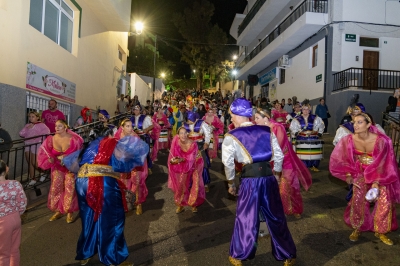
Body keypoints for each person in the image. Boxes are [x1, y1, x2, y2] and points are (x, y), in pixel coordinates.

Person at [222, 98, 296, 266]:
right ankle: (287, 254)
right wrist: (276, 175)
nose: (231, 118)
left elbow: (228, 164)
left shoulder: (231, 136)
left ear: (237, 114)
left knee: (246, 218)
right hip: (268, 178)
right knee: (276, 216)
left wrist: (231, 183)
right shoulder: (267, 131)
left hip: (249, 182)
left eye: (231, 115)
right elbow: (279, 156)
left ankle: (240, 254)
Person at [65, 127, 148, 266]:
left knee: (89, 219)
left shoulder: (89, 146)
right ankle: (114, 258)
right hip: (102, 182)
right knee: (113, 219)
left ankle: (85, 253)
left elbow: (73, 165)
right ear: (109, 134)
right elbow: (125, 158)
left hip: (81, 183)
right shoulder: (111, 142)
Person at [329, 113, 400, 246]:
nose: (355, 125)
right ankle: (358, 227)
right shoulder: (349, 140)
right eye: (354, 122)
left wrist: (376, 183)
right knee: (358, 199)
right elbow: (345, 159)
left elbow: (385, 163)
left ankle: (381, 230)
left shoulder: (381, 141)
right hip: (361, 173)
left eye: (360, 122)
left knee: (385, 201)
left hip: (381, 174)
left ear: (368, 125)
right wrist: (349, 175)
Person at [255, 108, 312, 218]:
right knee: (274, 187)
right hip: (270, 161)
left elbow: (279, 147)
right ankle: (278, 209)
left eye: (257, 118)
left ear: (266, 118)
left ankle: (295, 209)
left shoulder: (277, 127)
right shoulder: (261, 129)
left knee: (290, 185)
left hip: (285, 160)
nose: (255, 120)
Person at [37, 119, 83, 223]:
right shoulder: (50, 139)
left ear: (65, 127)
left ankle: (69, 211)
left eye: (60, 126)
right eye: (56, 126)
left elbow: (78, 154)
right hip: (57, 167)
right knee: (56, 188)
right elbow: (46, 153)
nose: (57, 128)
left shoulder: (74, 139)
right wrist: (50, 159)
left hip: (70, 168)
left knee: (69, 188)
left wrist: (67, 158)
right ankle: (58, 210)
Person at [115, 119, 150, 215]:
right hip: (124, 164)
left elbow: (140, 151)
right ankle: (127, 201)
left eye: (131, 126)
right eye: (127, 126)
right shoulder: (118, 136)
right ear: (122, 127)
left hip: (134, 164)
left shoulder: (135, 137)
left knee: (136, 181)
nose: (130, 128)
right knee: (125, 182)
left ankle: (138, 203)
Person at [168, 127, 205, 213]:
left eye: (185, 133)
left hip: (196, 163)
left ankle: (194, 204)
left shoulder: (192, 143)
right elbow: (174, 155)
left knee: (195, 183)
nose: (183, 135)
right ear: (178, 134)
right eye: (181, 133)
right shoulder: (176, 142)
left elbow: (191, 158)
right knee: (181, 183)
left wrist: (181, 160)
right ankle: (181, 203)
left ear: (187, 134)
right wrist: (174, 160)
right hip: (184, 163)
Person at [0, 160, 27, 266]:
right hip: (15, 218)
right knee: (14, 249)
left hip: (3, 222)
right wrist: (17, 213)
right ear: (6, 169)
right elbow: (22, 202)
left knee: (3, 253)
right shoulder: (15, 184)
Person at [289, 103, 325, 172]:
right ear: (301, 110)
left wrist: (320, 132)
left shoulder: (315, 118)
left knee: (314, 152)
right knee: (302, 153)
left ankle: (314, 165)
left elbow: (321, 125)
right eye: (304, 109)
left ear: (309, 110)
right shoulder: (297, 119)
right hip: (302, 138)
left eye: (307, 109)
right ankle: (303, 166)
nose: (305, 111)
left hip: (313, 137)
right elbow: (292, 127)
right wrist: (296, 132)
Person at [183, 111, 212, 192]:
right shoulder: (185, 124)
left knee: (203, 164)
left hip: (200, 146)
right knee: (189, 164)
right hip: (189, 147)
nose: (189, 122)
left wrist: (206, 142)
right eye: (187, 120)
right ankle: (190, 183)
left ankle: (205, 183)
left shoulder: (202, 123)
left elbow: (208, 133)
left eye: (190, 120)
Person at [19, 111, 50, 186]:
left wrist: (37, 137)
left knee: (35, 163)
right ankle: (32, 179)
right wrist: (27, 128)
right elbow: (21, 134)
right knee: (29, 162)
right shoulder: (28, 125)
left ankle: (43, 172)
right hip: (27, 144)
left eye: (33, 116)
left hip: (36, 145)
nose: (31, 118)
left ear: (37, 117)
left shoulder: (41, 125)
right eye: (30, 116)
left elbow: (47, 133)